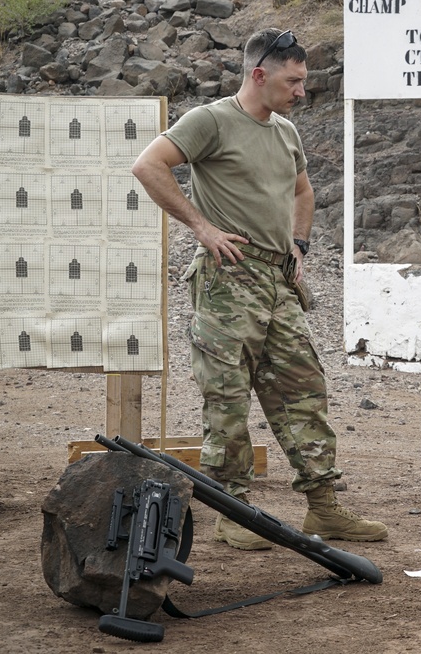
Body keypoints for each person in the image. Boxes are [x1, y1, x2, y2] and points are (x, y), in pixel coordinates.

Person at [131, 28, 388, 549]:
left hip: (278, 280)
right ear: (259, 74)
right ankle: (233, 513)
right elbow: (148, 165)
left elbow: (303, 190)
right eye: (293, 81)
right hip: (228, 278)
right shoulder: (211, 120)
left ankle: (323, 509)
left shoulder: (286, 132)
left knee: (303, 392)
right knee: (226, 399)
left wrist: (299, 244)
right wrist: (202, 228)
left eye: (303, 81)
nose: (300, 91)